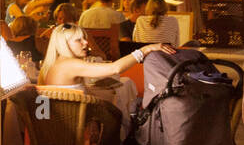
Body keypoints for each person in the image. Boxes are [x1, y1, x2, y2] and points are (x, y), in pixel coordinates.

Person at [39, 24, 174, 132]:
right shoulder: (70, 64)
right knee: (121, 117)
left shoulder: (52, 64)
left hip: (57, 129)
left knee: (114, 112)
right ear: (64, 44)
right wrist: (145, 50)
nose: (86, 42)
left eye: (84, 38)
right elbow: (115, 68)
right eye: (79, 40)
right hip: (74, 132)